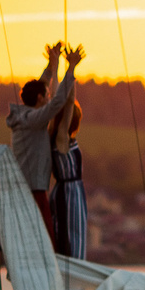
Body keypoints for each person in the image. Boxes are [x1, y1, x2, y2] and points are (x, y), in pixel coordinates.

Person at [5, 41, 81, 244]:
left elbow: (41, 86)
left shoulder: (26, 115)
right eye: (46, 95)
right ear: (39, 99)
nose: (49, 96)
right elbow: (57, 103)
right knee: (46, 242)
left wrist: (51, 65)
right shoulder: (33, 120)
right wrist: (71, 68)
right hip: (34, 190)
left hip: (30, 187)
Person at [48, 90, 87, 260]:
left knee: (75, 236)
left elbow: (58, 95)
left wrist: (55, 65)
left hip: (74, 192)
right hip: (68, 195)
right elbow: (69, 101)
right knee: (70, 238)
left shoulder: (63, 138)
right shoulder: (61, 139)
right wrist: (72, 69)